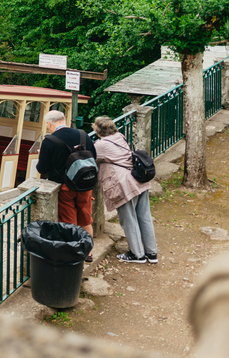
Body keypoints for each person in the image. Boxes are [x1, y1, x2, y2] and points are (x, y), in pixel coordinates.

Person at [92, 116, 157, 264]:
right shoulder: (120, 136)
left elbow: (90, 156)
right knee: (144, 217)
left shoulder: (101, 145)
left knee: (129, 219)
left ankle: (137, 254)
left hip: (124, 185)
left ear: (97, 130)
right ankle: (151, 253)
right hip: (138, 180)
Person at [36, 110, 96, 261]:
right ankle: (88, 253)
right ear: (64, 120)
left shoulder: (49, 141)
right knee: (86, 219)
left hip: (65, 188)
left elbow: (41, 169)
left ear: (49, 124)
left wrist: (41, 155)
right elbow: (93, 157)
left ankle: (73, 254)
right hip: (85, 184)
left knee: (69, 222)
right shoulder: (83, 135)